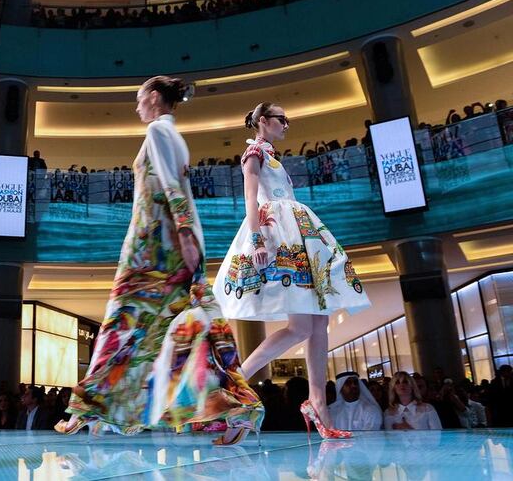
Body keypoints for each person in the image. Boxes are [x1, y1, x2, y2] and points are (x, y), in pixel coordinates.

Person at [56, 76, 263, 446]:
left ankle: (87, 408)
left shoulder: (158, 132)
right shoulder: (171, 135)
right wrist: (187, 237)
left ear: (153, 97)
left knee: (123, 325)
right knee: (191, 329)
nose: (136, 107)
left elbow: (172, 186)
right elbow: (176, 187)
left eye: (138, 99)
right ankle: (232, 408)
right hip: (169, 245)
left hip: (153, 250)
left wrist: (183, 234)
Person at [213, 102, 371, 439]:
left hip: (297, 231)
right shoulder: (254, 152)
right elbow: (251, 199)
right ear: (265, 122)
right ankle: (235, 381)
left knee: (319, 320)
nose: (287, 125)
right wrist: (257, 241)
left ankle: (317, 402)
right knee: (302, 326)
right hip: (279, 234)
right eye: (282, 119)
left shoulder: (271, 156)